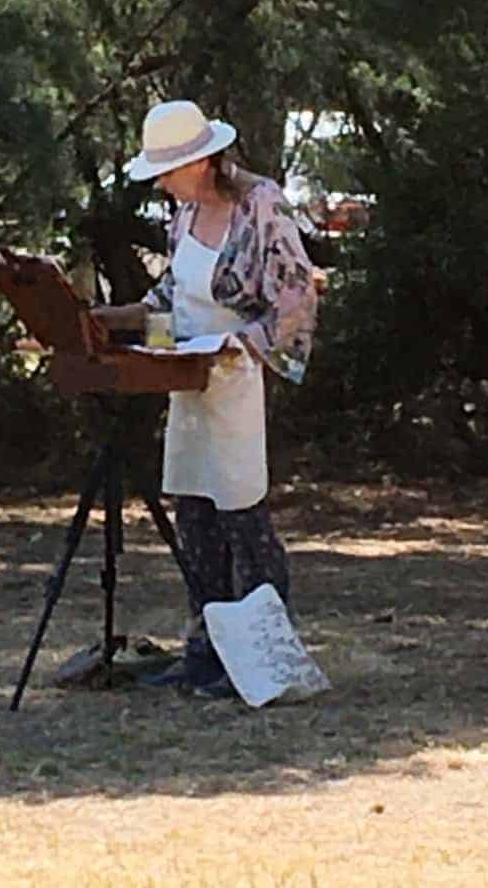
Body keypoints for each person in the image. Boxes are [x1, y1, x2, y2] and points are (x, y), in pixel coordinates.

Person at [93, 100, 318, 698]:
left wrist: (244, 347)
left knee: (243, 519)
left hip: (236, 377)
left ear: (201, 162)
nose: (163, 185)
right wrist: (112, 321)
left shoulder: (260, 206)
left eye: (168, 171)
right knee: (194, 517)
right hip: (189, 380)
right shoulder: (182, 218)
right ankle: (206, 650)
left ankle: (264, 657)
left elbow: (295, 298)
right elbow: (170, 302)